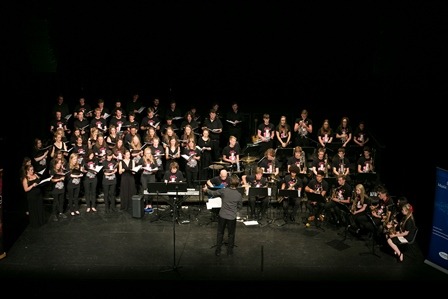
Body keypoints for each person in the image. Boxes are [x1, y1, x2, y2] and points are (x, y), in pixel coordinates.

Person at [203, 174, 243, 256]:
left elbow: (213, 193)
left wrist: (206, 190)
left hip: (222, 216)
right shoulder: (239, 195)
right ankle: (230, 251)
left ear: (229, 182)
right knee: (231, 234)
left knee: (220, 233)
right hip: (232, 217)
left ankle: (218, 250)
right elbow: (240, 206)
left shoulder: (224, 191)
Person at [118, 149, 138, 214]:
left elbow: (134, 171)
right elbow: (119, 172)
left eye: (129, 155)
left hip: (131, 177)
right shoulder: (121, 162)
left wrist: (134, 171)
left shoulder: (132, 161)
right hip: (124, 177)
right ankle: (124, 206)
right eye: (127, 155)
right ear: (124, 155)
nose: (128, 156)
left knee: (131, 190)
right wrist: (122, 170)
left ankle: (131, 205)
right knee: (125, 191)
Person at [140, 148, 158, 213]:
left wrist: (154, 169)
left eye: (149, 153)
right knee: (145, 189)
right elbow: (139, 166)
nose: (148, 154)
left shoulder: (153, 159)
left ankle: (150, 204)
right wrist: (142, 167)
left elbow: (156, 167)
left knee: (151, 189)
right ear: (145, 153)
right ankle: (146, 204)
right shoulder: (142, 159)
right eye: (147, 153)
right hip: (144, 176)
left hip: (151, 176)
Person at [49, 158, 68, 222]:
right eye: (58, 163)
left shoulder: (61, 170)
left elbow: (65, 176)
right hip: (55, 189)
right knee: (56, 202)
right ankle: (54, 214)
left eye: (60, 163)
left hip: (62, 188)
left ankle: (61, 213)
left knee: (61, 201)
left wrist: (63, 170)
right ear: (55, 164)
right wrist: (60, 179)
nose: (59, 165)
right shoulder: (52, 170)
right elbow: (52, 180)